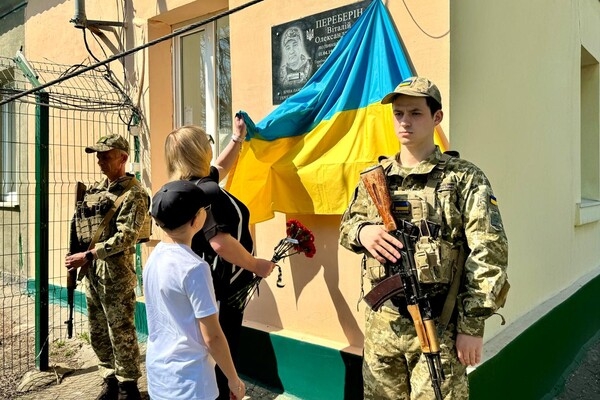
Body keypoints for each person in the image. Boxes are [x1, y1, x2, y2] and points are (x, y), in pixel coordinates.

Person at [339, 76, 510, 399]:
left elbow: (489, 252)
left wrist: (472, 327)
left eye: (416, 113)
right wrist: (363, 232)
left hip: (439, 326)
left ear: (436, 117)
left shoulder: (463, 177)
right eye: (399, 113)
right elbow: (347, 226)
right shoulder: (376, 178)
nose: (405, 121)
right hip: (382, 327)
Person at [165, 116, 275, 400]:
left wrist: (237, 138)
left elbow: (221, 168)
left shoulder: (188, 186)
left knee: (208, 351)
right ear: (201, 151)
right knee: (222, 350)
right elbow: (220, 242)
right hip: (221, 288)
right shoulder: (207, 193)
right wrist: (256, 265)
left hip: (206, 286)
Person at [144, 179, 246, 400]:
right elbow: (213, 337)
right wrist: (233, 379)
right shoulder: (195, 268)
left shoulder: (154, 257)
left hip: (159, 376)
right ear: (197, 219)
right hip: (191, 383)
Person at [65, 134, 149, 400]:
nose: (100, 161)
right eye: (98, 156)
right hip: (92, 273)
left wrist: (89, 254)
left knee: (121, 331)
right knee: (98, 330)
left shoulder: (134, 194)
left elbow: (126, 236)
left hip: (116, 275)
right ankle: (109, 379)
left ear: (123, 158)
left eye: (106, 156)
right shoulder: (96, 191)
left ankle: (128, 386)